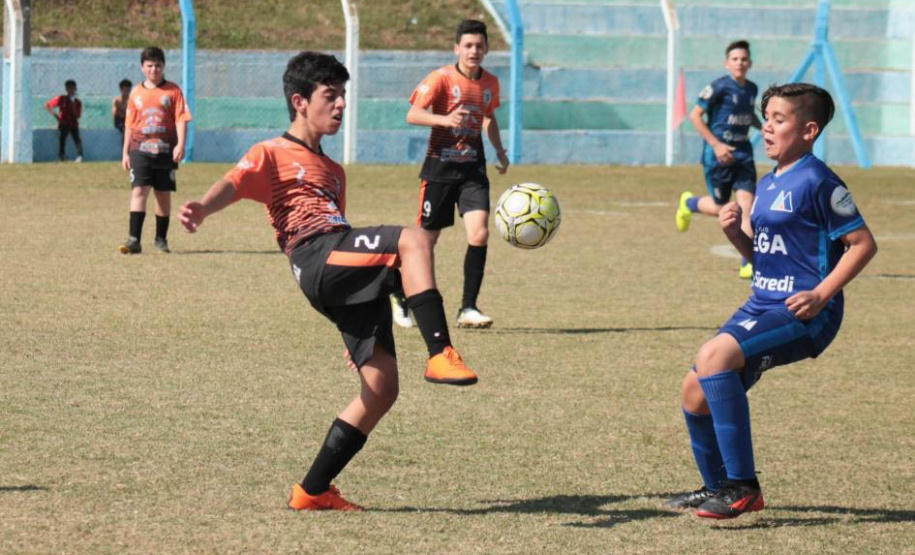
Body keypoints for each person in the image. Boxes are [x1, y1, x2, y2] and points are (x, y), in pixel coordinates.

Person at [178, 51, 479, 512]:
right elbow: (233, 183)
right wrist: (201, 206)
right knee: (416, 239)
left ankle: (312, 490)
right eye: (330, 96)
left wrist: (356, 308)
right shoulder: (272, 152)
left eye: (343, 96)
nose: (340, 105)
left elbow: (363, 247)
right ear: (300, 101)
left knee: (381, 390)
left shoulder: (334, 172)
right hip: (315, 256)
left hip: (339, 268)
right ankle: (440, 352)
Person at [666, 83, 877, 519]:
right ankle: (716, 486)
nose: (767, 128)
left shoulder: (819, 179)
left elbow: (862, 244)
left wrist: (822, 294)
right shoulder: (768, 182)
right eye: (767, 119)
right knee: (694, 389)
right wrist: (736, 235)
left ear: (809, 130)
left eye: (779, 119)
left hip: (807, 312)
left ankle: (744, 487)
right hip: (762, 301)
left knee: (714, 356)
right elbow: (767, 259)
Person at [391, 19, 510, 330]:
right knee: (426, 242)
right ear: (457, 48)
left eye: (479, 46)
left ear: (486, 49)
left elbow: (489, 118)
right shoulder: (441, 78)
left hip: (473, 169)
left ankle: (468, 307)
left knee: (480, 233)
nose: (474, 51)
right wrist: (445, 120)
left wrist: (499, 150)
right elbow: (412, 114)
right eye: (468, 45)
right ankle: (401, 295)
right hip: (440, 170)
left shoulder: (490, 84)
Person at [675, 40, 761, 279]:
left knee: (747, 208)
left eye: (744, 59)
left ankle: (748, 263)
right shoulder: (719, 87)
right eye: (735, 59)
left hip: (743, 154)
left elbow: (746, 115)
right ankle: (689, 204)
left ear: (750, 63)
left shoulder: (752, 89)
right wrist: (716, 145)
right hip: (718, 157)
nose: (740, 63)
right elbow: (695, 116)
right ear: (727, 63)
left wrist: (764, 126)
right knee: (723, 208)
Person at [119, 47, 192, 255]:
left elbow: (181, 118)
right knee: (139, 190)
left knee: (162, 194)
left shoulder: (173, 91)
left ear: (164, 66)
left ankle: (161, 239)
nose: (154, 70)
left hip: (165, 149)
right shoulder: (136, 93)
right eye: (150, 66)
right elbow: (129, 125)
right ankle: (134, 239)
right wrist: (125, 152)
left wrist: (181, 144)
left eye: (158, 65)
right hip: (139, 148)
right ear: (142, 67)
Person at [44, 79, 83, 163]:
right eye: (69, 88)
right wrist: (57, 117)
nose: (71, 90)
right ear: (66, 89)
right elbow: (47, 105)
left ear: (75, 89)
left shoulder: (77, 102)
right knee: (62, 139)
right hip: (64, 122)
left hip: (73, 123)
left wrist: (73, 106)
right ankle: (61, 156)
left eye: (72, 88)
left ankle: (80, 156)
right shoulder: (61, 98)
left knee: (77, 139)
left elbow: (77, 116)